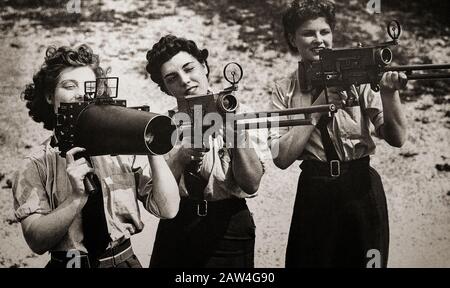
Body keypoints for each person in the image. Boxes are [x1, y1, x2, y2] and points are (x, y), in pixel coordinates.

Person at [12, 44, 180, 268]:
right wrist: (76, 198)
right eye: (69, 86)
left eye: (89, 87)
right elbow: (36, 240)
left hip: (124, 261)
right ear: (49, 96)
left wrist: (151, 145)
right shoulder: (36, 164)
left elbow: (167, 209)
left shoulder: (120, 151)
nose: (81, 94)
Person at [268, 0, 407, 267]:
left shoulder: (359, 77)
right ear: (292, 39)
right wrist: (318, 107)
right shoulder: (284, 89)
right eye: (308, 33)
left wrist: (390, 94)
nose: (318, 40)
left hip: (361, 187)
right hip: (315, 189)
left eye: (325, 32)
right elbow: (281, 157)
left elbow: (397, 138)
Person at [145, 35, 265, 267]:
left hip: (229, 226)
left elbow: (251, 184)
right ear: (166, 89)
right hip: (178, 227)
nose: (185, 80)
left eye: (189, 69)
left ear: (205, 67)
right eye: (172, 78)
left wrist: (232, 129)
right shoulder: (161, 128)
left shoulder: (241, 113)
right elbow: (155, 196)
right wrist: (179, 158)